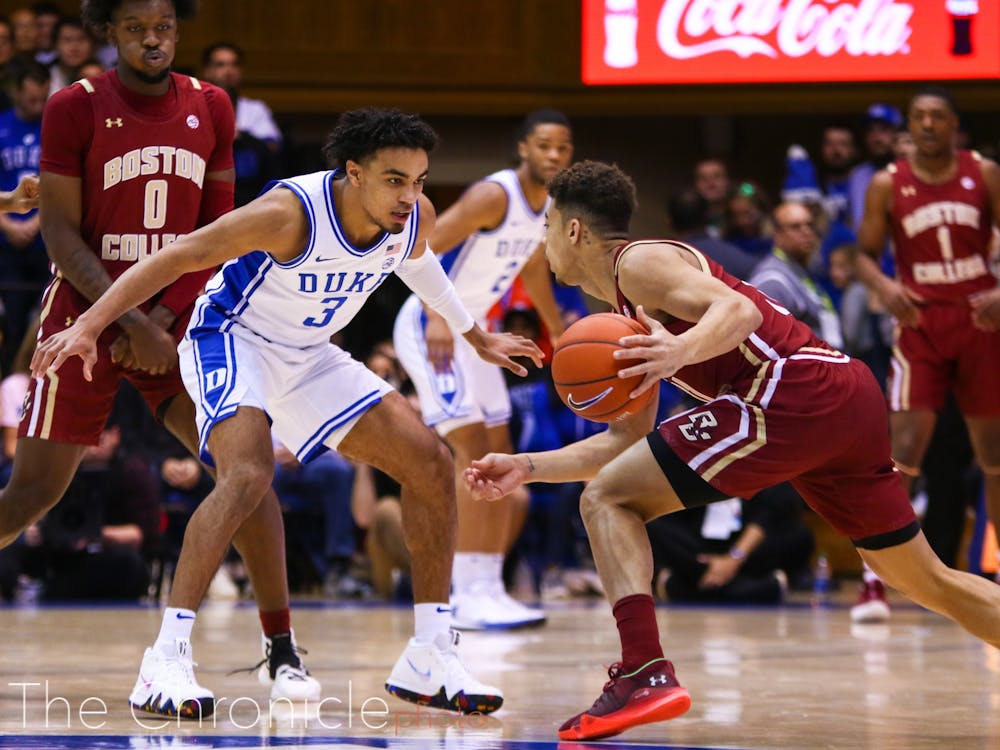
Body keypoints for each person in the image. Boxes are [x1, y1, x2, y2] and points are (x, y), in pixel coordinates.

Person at [463, 160, 1000, 742]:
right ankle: (642, 671)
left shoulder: (638, 263)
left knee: (606, 501)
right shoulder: (623, 312)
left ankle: (642, 671)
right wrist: (527, 467)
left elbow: (739, 311)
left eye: (546, 226)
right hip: (841, 397)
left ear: (572, 230)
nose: (542, 242)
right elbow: (625, 440)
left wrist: (677, 353)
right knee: (923, 581)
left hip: (793, 392)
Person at [31, 106, 543, 716]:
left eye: (419, 180)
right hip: (231, 339)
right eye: (394, 180)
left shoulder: (413, 217)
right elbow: (178, 256)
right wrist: (90, 325)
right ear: (353, 173)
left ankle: (431, 652)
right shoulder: (287, 215)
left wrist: (473, 334)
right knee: (247, 474)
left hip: (308, 354)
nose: (410, 195)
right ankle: (164, 660)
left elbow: (420, 262)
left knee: (430, 462)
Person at [0, 0, 321, 718]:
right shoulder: (71, 107)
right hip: (82, 315)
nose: (153, 39)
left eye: (165, 28)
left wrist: (165, 321)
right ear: (110, 31)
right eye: (138, 28)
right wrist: (127, 319)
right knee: (32, 496)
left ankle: (281, 646)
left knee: (247, 471)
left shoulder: (211, 105)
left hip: (181, 319)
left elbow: (219, 232)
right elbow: (56, 231)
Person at [393, 108, 572, 630]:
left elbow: (534, 267)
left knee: (500, 453)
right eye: (545, 146)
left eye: (563, 147)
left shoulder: (548, 205)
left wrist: (558, 328)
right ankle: (460, 594)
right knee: (469, 451)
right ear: (523, 149)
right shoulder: (494, 195)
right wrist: (436, 316)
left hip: (477, 335)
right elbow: (420, 247)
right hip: (433, 329)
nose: (554, 156)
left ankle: (487, 586)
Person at [856, 86, 1000, 577]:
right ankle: (880, 572)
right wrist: (884, 286)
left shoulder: (983, 173)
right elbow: (863, 257)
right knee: (905, 447)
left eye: (938, 117)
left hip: (980, 318)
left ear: (954, 125)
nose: (928, 125)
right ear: (909, 127)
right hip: (920, 321)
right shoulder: (885, 183)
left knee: (994, 453)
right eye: (919, 117)